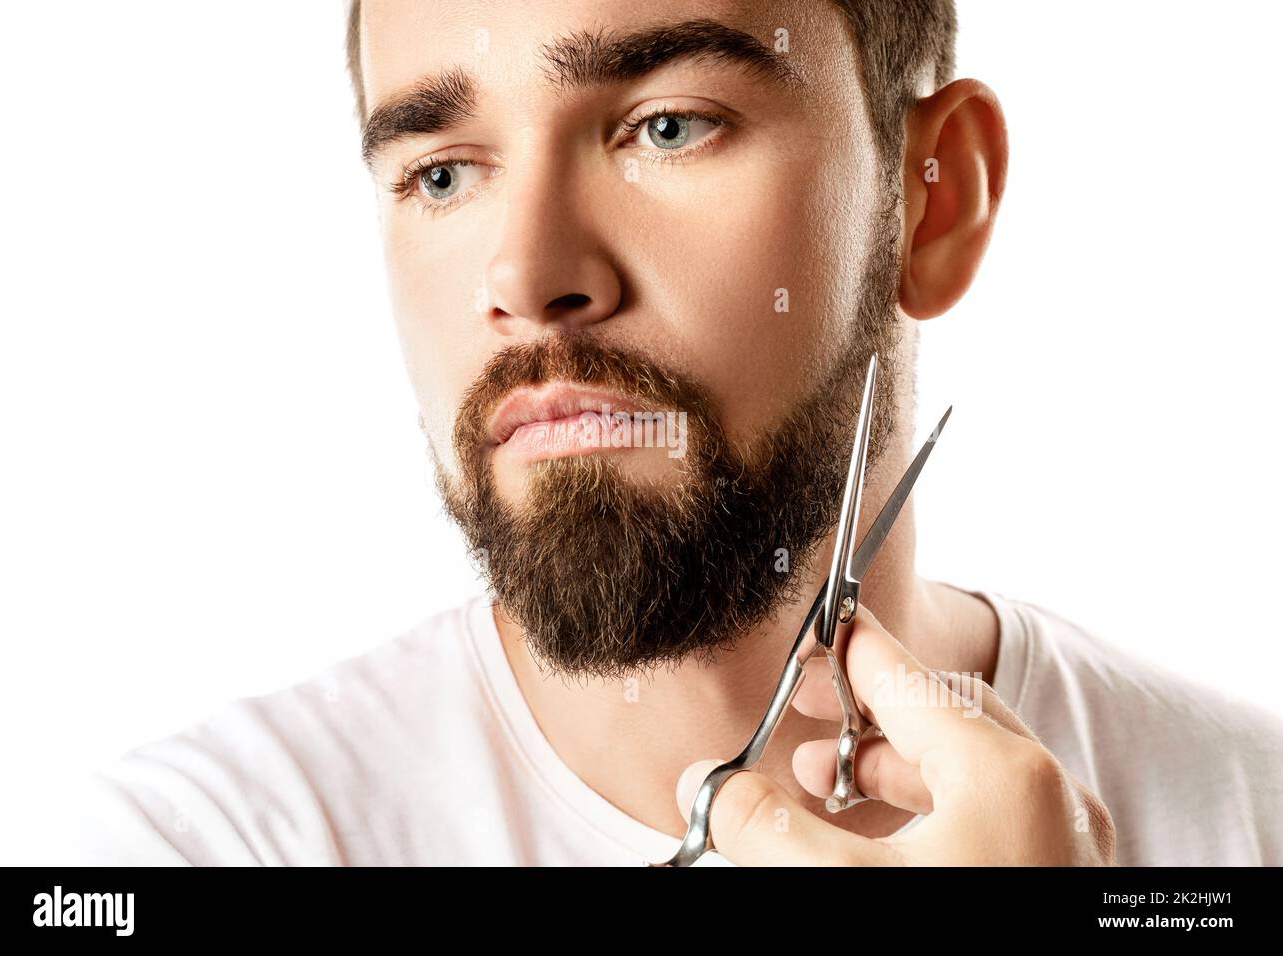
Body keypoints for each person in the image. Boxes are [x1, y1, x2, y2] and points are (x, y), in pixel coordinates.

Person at [69, 0, 1283, 866]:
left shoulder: (1249, 818)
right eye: (442, 173)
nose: (528, 276)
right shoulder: (201, 844)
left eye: (666, 126)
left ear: (932, 200)